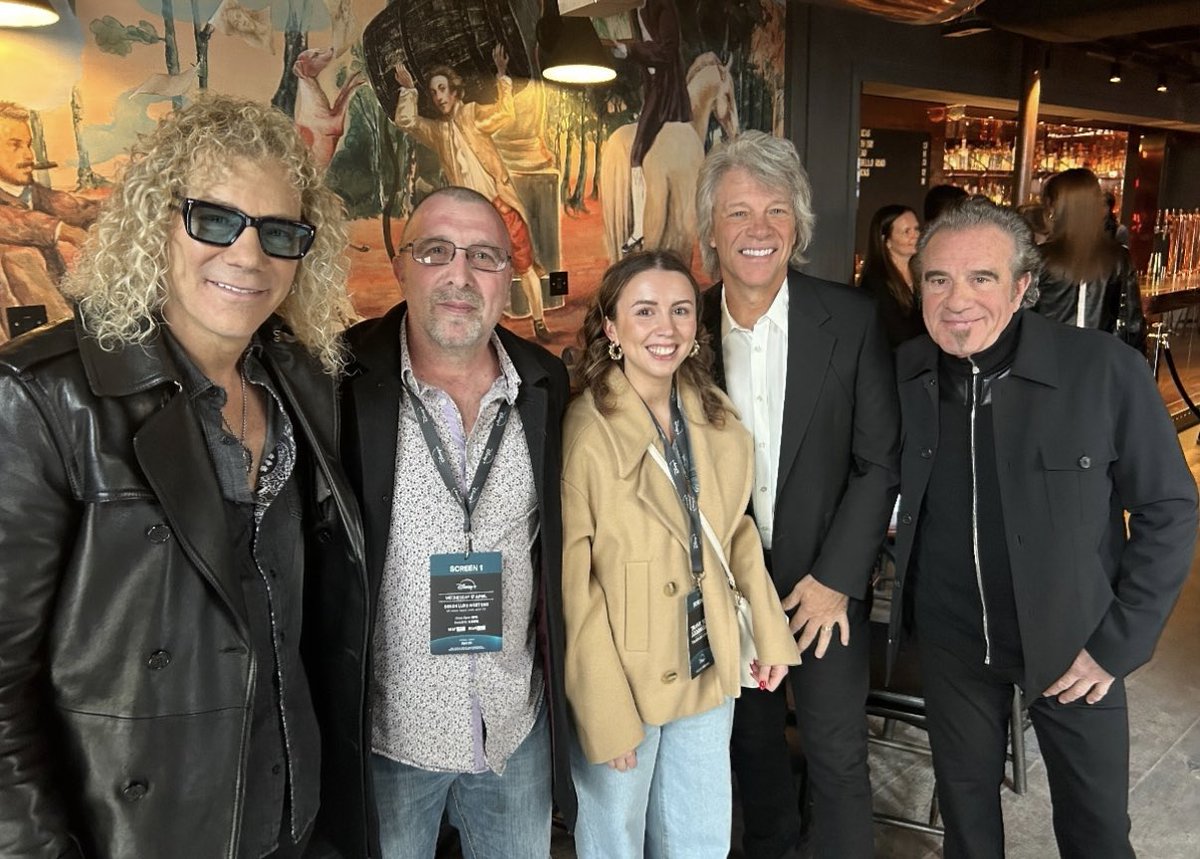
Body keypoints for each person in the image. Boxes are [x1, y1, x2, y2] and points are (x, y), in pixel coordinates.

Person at [0, 94, 369, 858]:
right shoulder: (44, 397)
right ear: (155, 221)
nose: (247, 255)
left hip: (289, 817)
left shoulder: (301, 383)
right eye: (215, 218)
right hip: (140, 832)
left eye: (279, 232)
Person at [887, 197, 1197, 858]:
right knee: (967, 828)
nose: (957, 299)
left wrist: (1119, 643)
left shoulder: (1102, 370)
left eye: (982, 278)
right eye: (938, 278)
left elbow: (1169, 509)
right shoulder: (906, 372)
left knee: (1097, 832)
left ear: (1024, 286)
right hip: (953, 643)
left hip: (1074, 641)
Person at [339, 185, 574, 857]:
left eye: (484, 256)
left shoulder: (544, 383)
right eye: (437, 250)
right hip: (389, 736)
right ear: (401, 264)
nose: (459, 276)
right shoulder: (338, 378)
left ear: (509, 274)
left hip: (511, 728)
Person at [696, 130, 900, 858]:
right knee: (752, 750)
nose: (759, 230)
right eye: (738, 212)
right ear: (710, 231)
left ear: (799, 227)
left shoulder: (849, 319)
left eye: (776, 211)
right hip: (728, 588)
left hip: (824, 585)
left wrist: (839, 579)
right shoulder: (682, 328)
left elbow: (879, 462)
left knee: (837, 751)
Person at [562, 250, 799, 857]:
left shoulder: (712, 414)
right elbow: (574, 586)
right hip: (628, 670)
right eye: (644, 311)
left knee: (700, 836)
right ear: (611, 328)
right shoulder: (586, 430)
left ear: (697, 325)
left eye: (680, 310)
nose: (664, 328)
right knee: (615, 840)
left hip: (705, 657)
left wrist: (766, 633)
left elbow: (735, 531)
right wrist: (605, 710)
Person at [392, 47, 553, 342]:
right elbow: (407, 122)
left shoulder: (472, 115)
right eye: (433, 91)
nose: (439, 96)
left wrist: (502, 76)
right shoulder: (438, 132)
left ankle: (539, 322)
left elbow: (504, 113)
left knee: (524, 264)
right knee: (475, 274)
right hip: (465, 221)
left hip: (499, 207)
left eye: (443, 89)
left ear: (455, 91)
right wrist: (408, 91)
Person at [0, 101, 101, 342]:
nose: (28, 156)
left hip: (62, 332)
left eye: (28, 145)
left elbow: (77, 208)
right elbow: (13, 221)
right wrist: (65, 231)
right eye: (15, 145)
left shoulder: (38, 196)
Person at [609, 0, 691, 254]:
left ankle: (640, 230)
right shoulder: (635, 11)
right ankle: (640, 228)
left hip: (666, 90)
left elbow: (667, 51)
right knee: (636, 155)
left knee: (637, 154)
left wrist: (629, 50)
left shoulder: (663, 7)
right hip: (652, 88)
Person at [1034, 168, 1144, 351]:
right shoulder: (1118, 258)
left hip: (1046, 361)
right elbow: (1132, 323)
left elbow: (1019, 317)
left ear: (1055, 208)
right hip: (1099, 360)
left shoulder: (1040, 257)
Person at [858, 203, 925, 348]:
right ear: (886, 241)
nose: (916, 235)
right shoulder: (876, 282)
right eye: (906, 231)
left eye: (916, 229)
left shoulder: (922, 273)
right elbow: (896, 333)